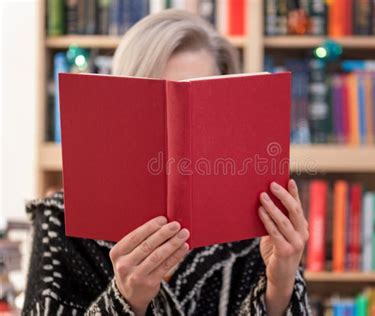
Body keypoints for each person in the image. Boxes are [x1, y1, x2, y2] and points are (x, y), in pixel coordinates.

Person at [23, 10, 311, 315]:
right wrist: (125, 300)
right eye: (157, 109)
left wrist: (279, 288)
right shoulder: (61, 223)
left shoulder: (255, 226)